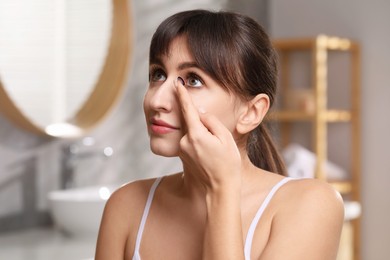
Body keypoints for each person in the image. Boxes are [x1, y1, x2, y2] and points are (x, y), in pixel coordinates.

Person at [95, 9, 344, 260]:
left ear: (251, 112)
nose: (157, 100)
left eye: (192, 80)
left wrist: (221, 191)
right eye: (158, 74)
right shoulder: (125, 206)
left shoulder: (311, 205)